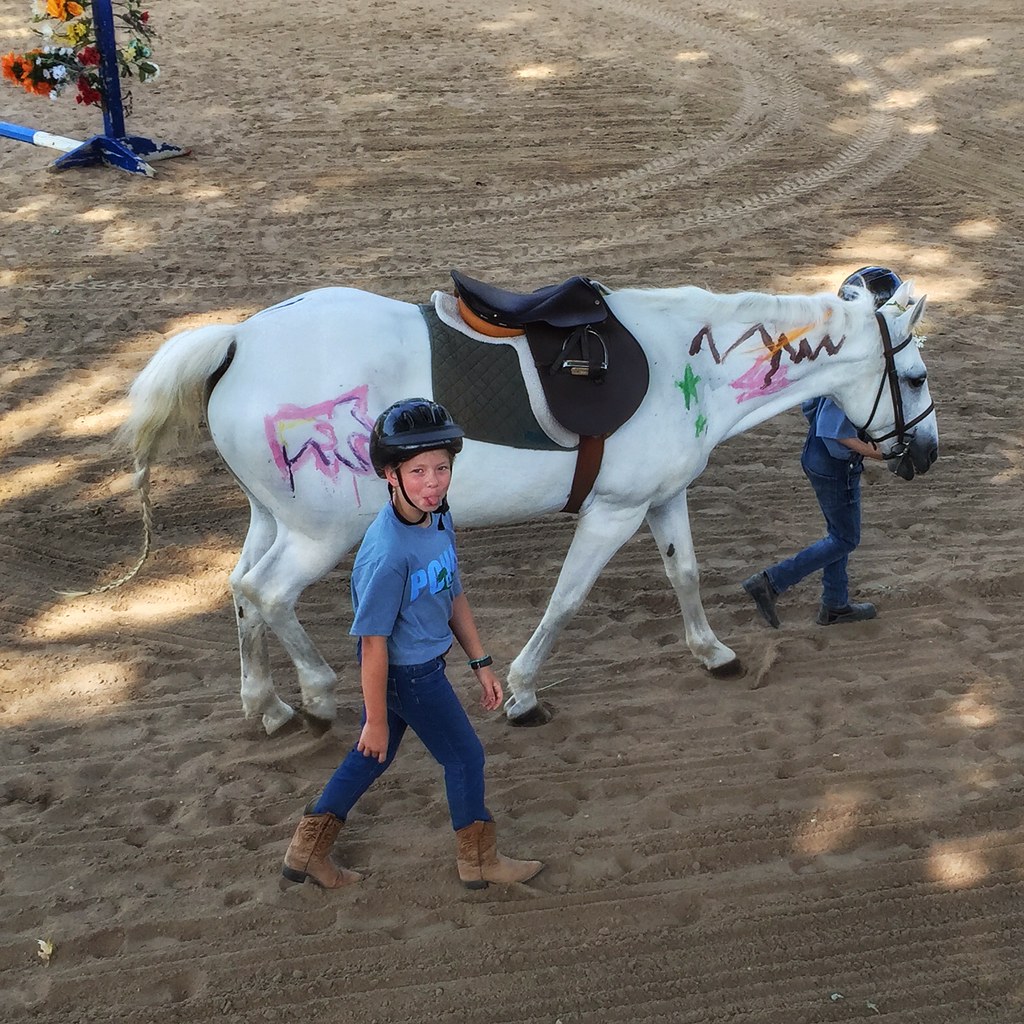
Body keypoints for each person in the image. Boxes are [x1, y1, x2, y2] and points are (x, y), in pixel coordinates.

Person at [281, 397, 543, 890]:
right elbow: (373, 645)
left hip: (424, 666)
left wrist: (480, 661)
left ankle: (306, 851)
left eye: (441, 468)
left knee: (369, 756)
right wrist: (377, 718)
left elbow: (453, 590)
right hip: (409, 675)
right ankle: (479, 863)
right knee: (465, 758)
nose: (432, 483)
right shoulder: (387, 555)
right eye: (418, 471)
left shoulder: (439, 517)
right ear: (390, 475)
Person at [741, 267, 904, 629]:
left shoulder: (834, 353)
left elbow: (810, 410)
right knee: (845, 537)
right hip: (832, 463)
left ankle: (835, 603)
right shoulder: (850, 373)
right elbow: (835, 433)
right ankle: (771, 582)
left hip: (820, 457)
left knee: (838, 533)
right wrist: (877, 452)